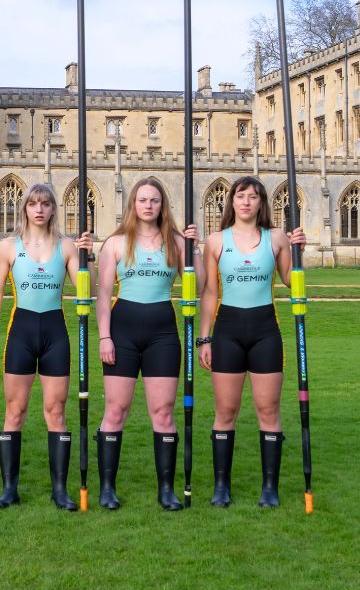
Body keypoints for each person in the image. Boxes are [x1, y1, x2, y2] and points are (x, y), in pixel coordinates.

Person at [0, 183, 93, 511]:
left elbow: (87, 291)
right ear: (25, 209)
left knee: (56, 411)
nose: (39, 209)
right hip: (21, 333)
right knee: (14, 411)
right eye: (33, 204)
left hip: (55, 334)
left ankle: (59, 490)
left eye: (46, 203)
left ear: (53, 209)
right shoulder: (8, 247)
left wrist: (87, 257)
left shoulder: (67, 246)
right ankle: (9, 489)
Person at [198, 176, 306, 508]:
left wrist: (298, 251)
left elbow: (290, 281)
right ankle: (221, 486)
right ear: (231, 202)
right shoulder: (216, 241)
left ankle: (270, 488)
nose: (246, 202)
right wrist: (205, 338)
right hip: (228, 331)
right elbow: (210, 294)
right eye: (241, 196)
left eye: (254, 197)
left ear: (262, 203)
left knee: (268, 409)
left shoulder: (276, 239)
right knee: (225, 411)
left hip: (265, 332)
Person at [95, 177, 200, 511]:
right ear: (133, 204)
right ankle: (107, 489)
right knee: (115, 410)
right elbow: (104, 295)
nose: (148, 206)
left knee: (163, 412)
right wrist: (104, 336)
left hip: (163, 335)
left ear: (162, 205)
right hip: (122, 332)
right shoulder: (115, 243)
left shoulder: (177, 242)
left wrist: (194, 252)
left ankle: (166, 490)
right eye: (142, 200)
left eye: (154, 200)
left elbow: (200, 284)